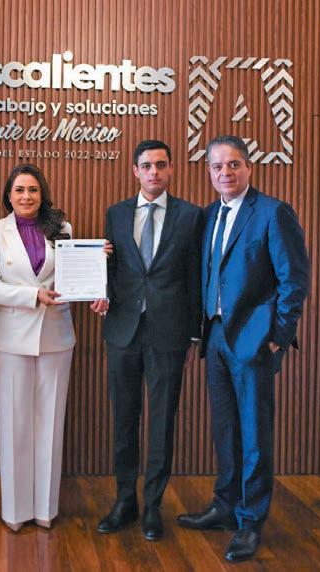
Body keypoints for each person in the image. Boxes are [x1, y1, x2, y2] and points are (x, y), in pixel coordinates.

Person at [177, 135, 309, 562]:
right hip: (215, 336)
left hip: (254, 341)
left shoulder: (272, 212)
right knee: (225, 429)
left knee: (254, 434)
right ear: (209, 172)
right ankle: (225, 506)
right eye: (217, 166)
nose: (225, 173)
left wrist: (278, 336)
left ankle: (251, 521)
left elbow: (294, 280)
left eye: (233, 164)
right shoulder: (208, 215)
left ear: (249, 167)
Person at [0, 163, 106, 531]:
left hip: (56, 336)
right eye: (19, 190)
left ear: (42, 194)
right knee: (14, 423)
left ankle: (45, 510)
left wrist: (97, 262)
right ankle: (15, 512)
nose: (26, 196)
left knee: (51, 423)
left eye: (33, 190)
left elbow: (74, 276)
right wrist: (33, 295)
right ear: (9, 195)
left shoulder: (62, 228)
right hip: (10, 339)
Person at [97, 140, 203, 541]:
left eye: (161, 165)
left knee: (161, 422)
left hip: (169, 333)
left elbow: (195, 275)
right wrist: (100, 287)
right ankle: (125, 501)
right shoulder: (116, 213)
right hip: (123, 330)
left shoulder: (190, 215)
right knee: (124, 420)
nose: (154, 172)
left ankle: (153, 506)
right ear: (135, 171)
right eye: (147, 165)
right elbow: (112, 269)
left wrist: (194, 333)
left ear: (171, 169)